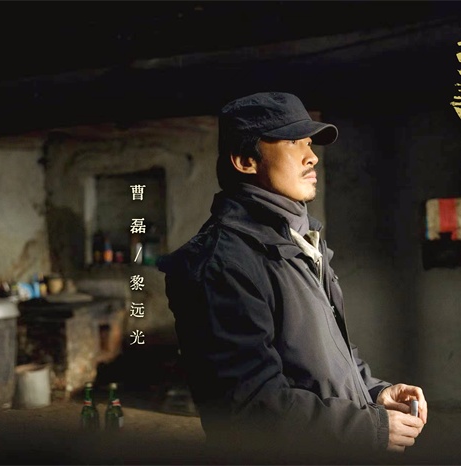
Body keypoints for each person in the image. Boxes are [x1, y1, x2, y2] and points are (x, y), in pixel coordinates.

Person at [157, 92, 427, 462]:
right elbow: (248, 409)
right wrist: (368, 429)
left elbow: (324, 359)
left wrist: (374, 393)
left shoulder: (300, 240)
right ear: (246, 161)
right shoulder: (220, 263)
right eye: (292, 142)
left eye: (309, 143)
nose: (312, 155)